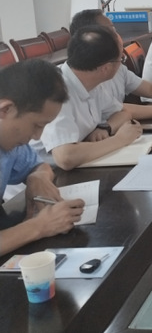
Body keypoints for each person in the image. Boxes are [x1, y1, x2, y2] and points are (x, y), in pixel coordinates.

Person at [0, 60, 85, 255]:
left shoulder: (9, 142)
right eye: (37, 125)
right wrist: (41, 226)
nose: (38, 136)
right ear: (6, 109)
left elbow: (38, 165)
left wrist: (37, 177)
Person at [40, 25, 142, 171]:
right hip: (46, 175)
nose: (122, 63)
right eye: (121, 59)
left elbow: (123, 113)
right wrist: (119, 140)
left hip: (81, 163)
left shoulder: (92, 81)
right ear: (106, 68)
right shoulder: (55, 90)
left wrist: (105, 128)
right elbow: (65, 157)